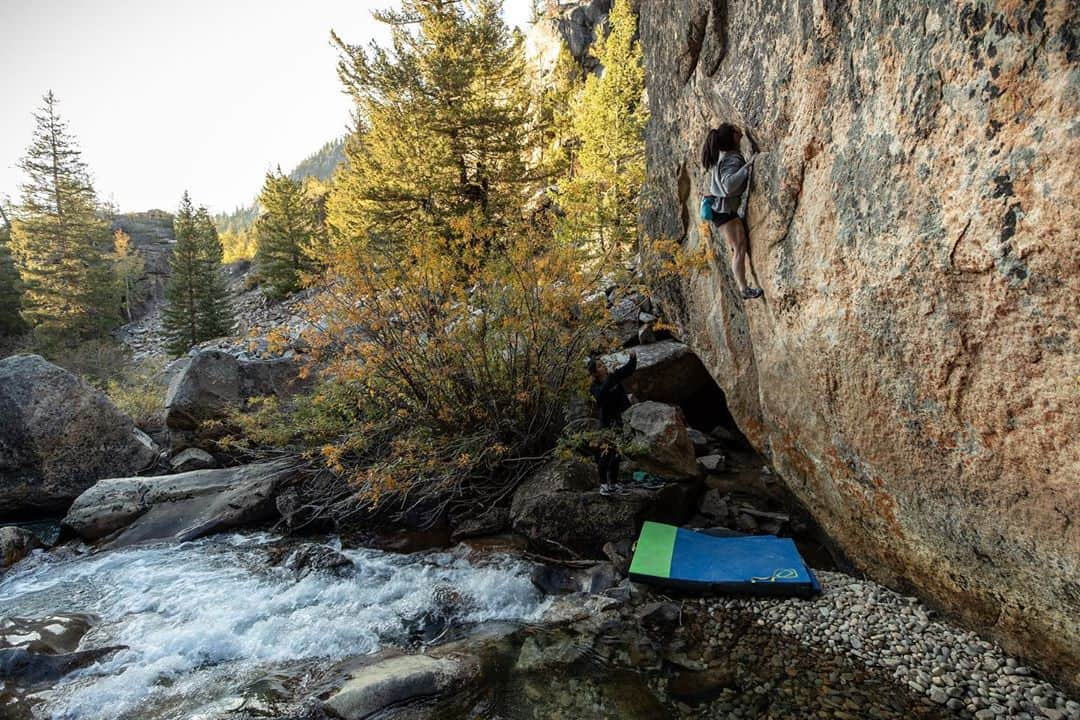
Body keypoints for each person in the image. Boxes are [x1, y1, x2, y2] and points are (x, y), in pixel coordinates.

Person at [701, 124, 763, 300]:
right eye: (736, 128)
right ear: (734, 136)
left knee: (739, 247)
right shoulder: (731, 159)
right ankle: (744, 289)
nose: (739, 127)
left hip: (722, 211)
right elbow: (728, 186)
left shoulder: (723, 157)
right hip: (724, 212)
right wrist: (747, 167)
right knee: (739, 248)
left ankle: (744, 288)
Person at [587, 350, 637, 484]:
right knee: (605, 453)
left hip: (620, 420)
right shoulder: (594, 387)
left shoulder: (613, 376)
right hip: (606, 424)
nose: (603, 366)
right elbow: (600, 397)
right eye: (599, 366)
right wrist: (609, 379)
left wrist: (633, 358)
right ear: (595, 374)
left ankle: (613, 484)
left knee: (617, 454)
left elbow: (628, 370)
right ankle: (603, 484)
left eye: (602, 364)